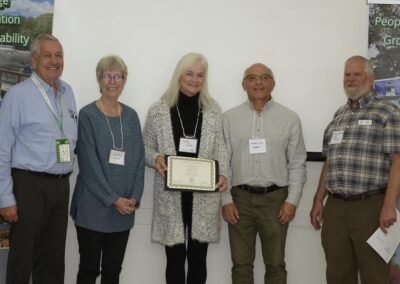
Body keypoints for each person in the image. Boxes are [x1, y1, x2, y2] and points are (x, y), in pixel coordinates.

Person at [310, 55, 400, 284]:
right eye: (347, 74)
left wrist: (389, 206)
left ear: (370, 78)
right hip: (336, 208)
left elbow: (398, 161)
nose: (350, 79)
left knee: (374, 275)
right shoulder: (339, 116)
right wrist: (318, 199)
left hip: (370, 208)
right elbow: (329, 161)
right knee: (337, 274)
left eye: (356, 74)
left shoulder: (387, 112)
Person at [143, 52, 228, 284]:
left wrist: (223, 174)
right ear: (179, 75)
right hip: (171, 197)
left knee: (199, 261)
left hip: (203, 197)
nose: (194, 79)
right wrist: (157, 157)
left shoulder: (213, 110)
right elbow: (146, 147)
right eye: (189, 73)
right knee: (175, 259)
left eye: (200, 75)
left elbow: (221, 148)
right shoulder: (159, 110)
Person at [0, 34, 78, 283]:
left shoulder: (68, 93)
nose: (54, 61)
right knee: (23, 259)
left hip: (60, 185)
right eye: (47, 55)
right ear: (34, 61)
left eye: (59, 55)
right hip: (29, 186)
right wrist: (5, 198)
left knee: (53, 261)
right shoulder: (18, 96)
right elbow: (2, 149)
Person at [222, 63, 307, 284]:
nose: (258, 82)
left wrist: (293, 201)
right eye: (252, 78)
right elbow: (223, 163)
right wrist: (225, 200)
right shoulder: (229, 118)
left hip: (276, 201)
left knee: (276, 265)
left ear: (273, 83)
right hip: (239, 200)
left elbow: (297, 163)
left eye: (264, 77)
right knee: (240, 265)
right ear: (244, 85)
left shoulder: (289, 118)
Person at [70, 55, 145, 284]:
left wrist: (134, 197)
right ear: (99, 80)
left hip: (124, 210)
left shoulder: (132, 116)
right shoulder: (88, 114)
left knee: (113, 271)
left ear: (124, 80)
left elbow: (139, 161)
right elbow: (89, 165)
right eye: (107, 76)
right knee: (89, 269)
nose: (112, 81)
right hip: (93, 208)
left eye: (118, 76)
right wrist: (114, 199)